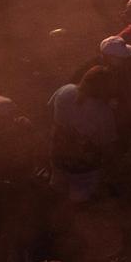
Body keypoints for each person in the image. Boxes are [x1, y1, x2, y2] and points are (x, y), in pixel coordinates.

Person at [47, 67, 118, 203]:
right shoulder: (104, 112)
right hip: (83, 166)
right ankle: (76, 209)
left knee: (58, 181)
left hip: (58, 153)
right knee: (80, 193)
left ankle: (56, 205)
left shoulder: (65, 90)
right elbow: (107, 144)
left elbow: (49, 110)